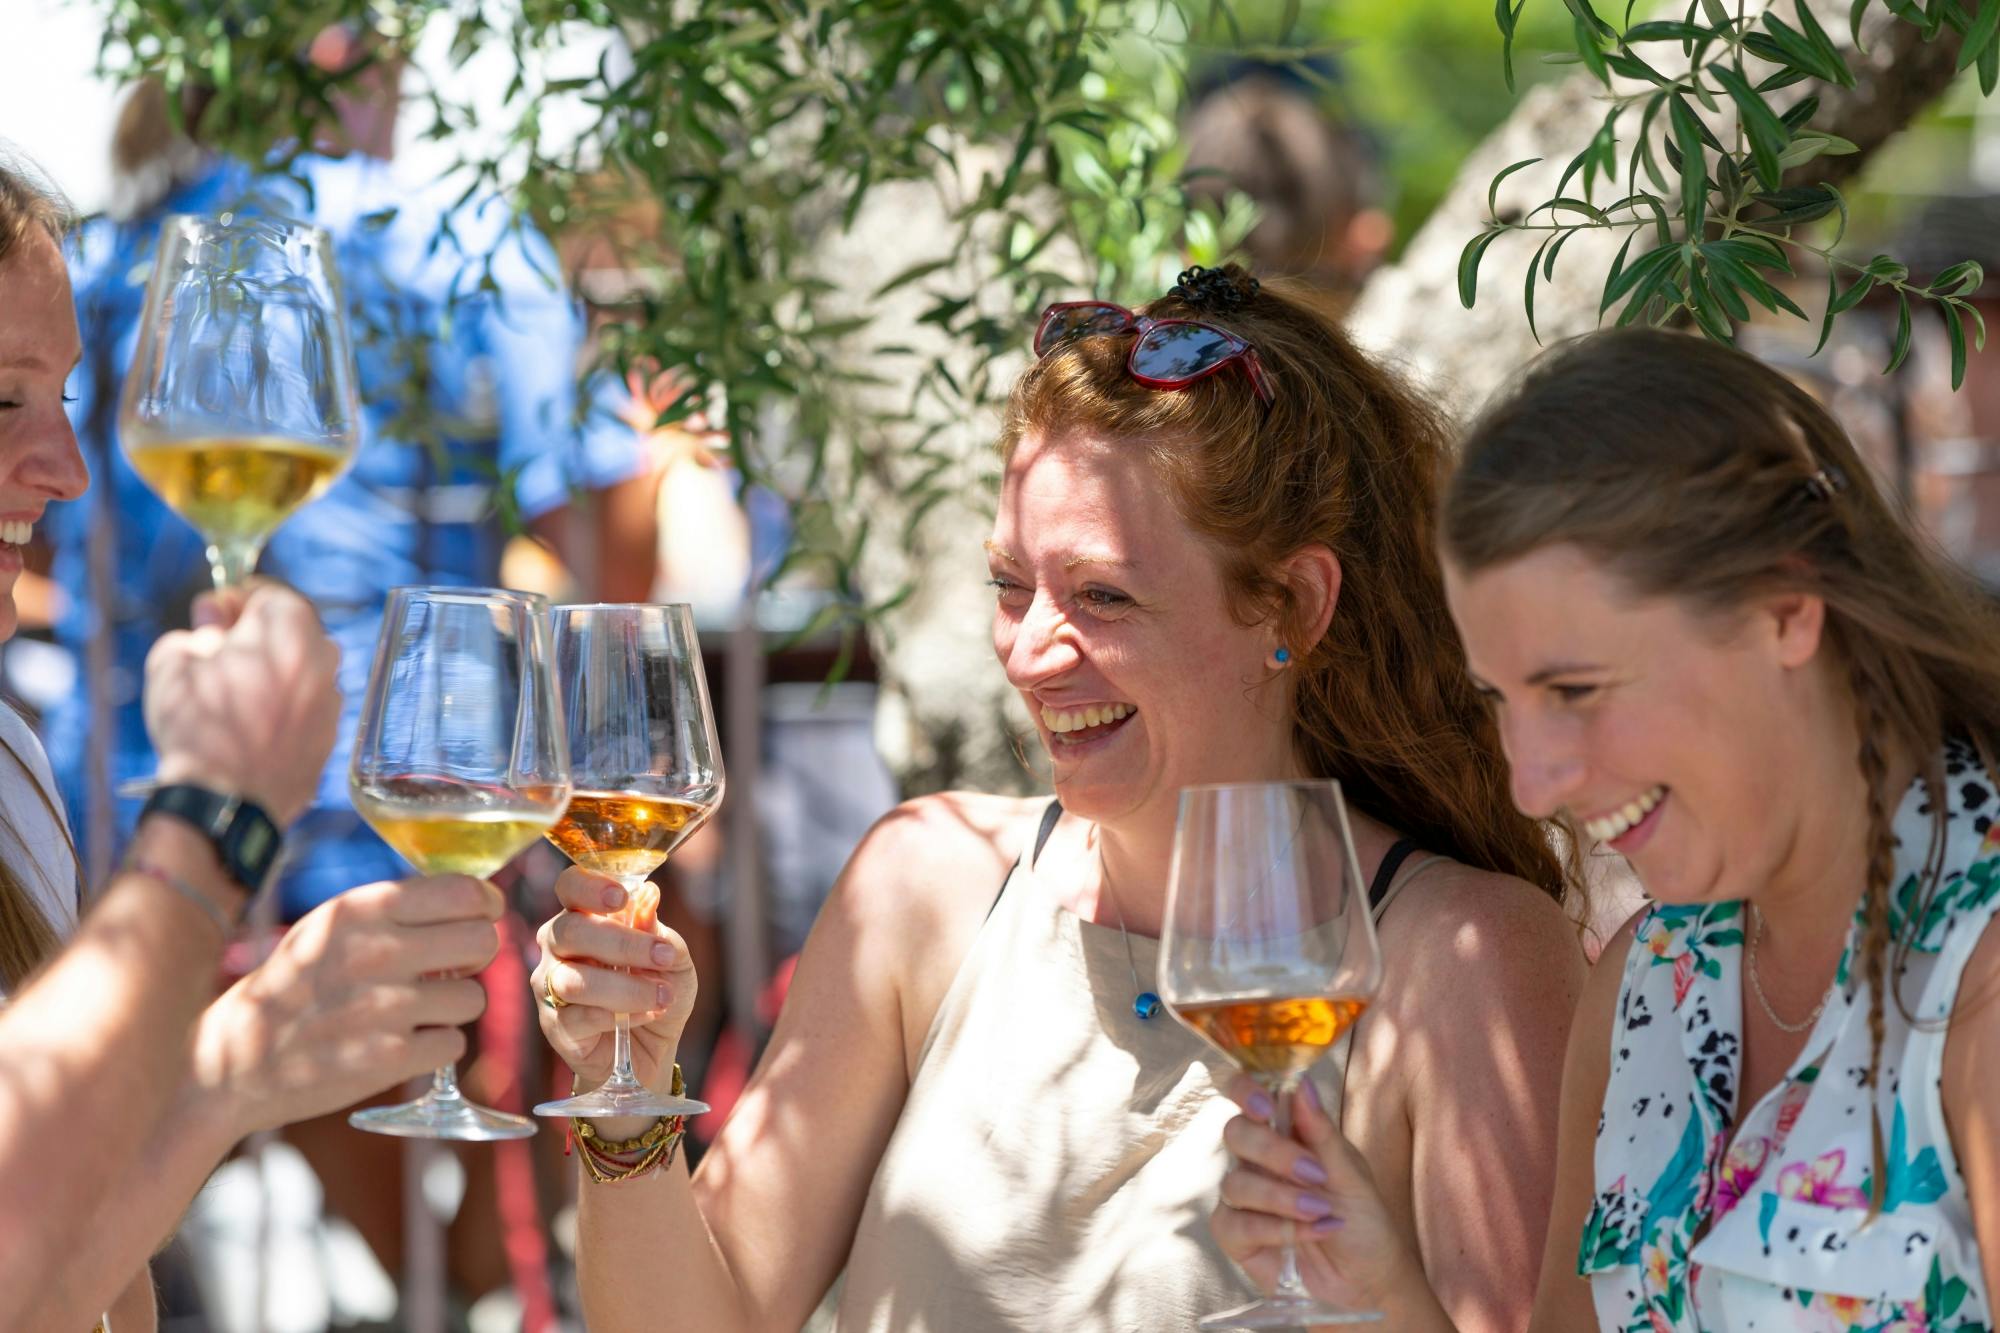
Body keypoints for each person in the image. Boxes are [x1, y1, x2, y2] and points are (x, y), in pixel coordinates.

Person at [530, 263, 1585, 1332]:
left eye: (1101, 596)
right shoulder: (924, 884)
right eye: (1009, 586)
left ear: (1294, 605)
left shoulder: (1463, 955)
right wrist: (630, 1091)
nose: (1029, 653)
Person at [1216, 326, 2000, 1329]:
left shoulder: (1975, 966)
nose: (1531, 785)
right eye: (1499, 697)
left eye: (1575, 689)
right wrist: (1380, 1294)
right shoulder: (1647, 983)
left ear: (1782, 609)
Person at [0, 159, 507, 1332]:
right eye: (0, 400)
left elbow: (84, 1295)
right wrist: (212, 827)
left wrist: (248, 1057)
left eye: (64, 398)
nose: (70, 473)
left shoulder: (12, 772)